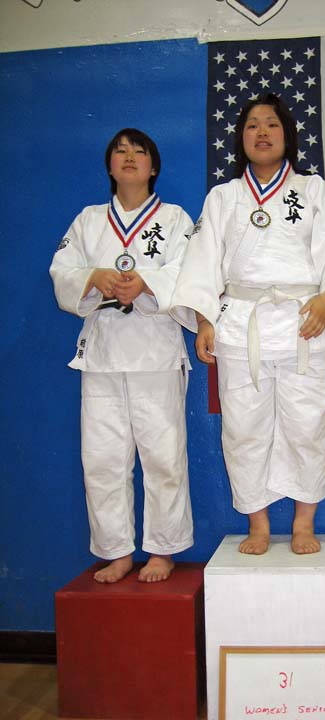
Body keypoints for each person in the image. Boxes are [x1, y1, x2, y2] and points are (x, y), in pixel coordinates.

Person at [170, 93, 325, 555]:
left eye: (271, 124)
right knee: (244, 427)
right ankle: (257, 523)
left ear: (287, 136)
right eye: (252, 126)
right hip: (243, 323)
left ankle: (303, 522)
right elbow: (203, 261)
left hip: (305, 322)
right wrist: (204, 319)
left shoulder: (314, 191)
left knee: (307, 425)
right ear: (240, 139)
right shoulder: (223, 197)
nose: (261, 132)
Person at [50, 128, 194, 583]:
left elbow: (191, 272)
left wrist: (146, 282)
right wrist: (95, 277)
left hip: (156, 349)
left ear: (153, 166)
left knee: (164, 457)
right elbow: (62, 271)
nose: (129, 156)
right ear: (110, 166)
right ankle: (116, 551)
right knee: (102, 458)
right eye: (120, 151)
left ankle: (162, 550)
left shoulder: (174, 218)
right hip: (103, 351)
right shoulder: (89, 220)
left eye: (139, 151)